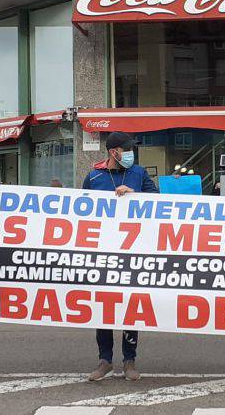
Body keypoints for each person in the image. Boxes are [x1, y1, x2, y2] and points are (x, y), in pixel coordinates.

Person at [80, 131, 157, 382]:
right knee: (103, 306)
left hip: (132, 250)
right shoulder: (94, 176)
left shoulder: (139, 173)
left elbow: (158, 201)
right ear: (114, 152)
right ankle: (104, 360)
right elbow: (81, 210)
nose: (131, 153)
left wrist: (135, 194)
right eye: (127, 149)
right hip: (103, 251)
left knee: (129, 307)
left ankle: (129, 360)